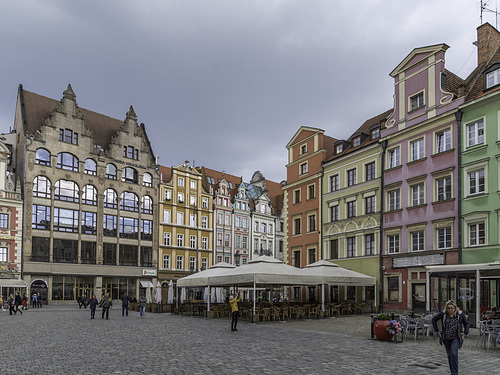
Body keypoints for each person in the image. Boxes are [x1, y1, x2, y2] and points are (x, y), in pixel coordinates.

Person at [432, 300, 469, 375]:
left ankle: (454, 373)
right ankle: (453, 371)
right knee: (449, 355)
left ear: (455, 308)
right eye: (448, 308)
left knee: (454, 354)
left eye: (452, 308)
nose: (450, 310)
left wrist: (465, 333)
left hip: (456, 338)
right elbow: (434, 319)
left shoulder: (460, 314)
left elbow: (466, 323)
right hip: (446, 338)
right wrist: (437, 330)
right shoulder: (443, 314)